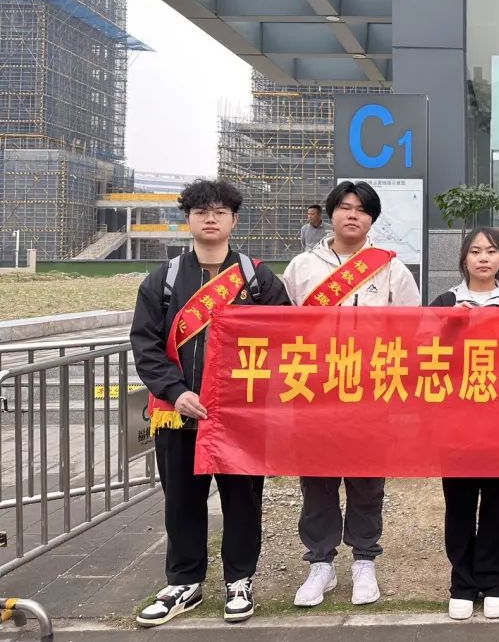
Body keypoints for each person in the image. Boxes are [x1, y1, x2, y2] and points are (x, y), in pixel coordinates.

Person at [130, 179, 290, 627]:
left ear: (234, 220)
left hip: (240, 418)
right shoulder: (163, 280)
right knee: (182, 501)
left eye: (220, 211)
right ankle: (184, 582)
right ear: (188, 219)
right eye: (201, 211)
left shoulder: (257, 278)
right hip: (178, 414)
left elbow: (286, 336)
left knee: (243, 501)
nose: (211, 219)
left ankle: (240, 579)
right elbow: (145, 344)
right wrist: (176, 391)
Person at [283, 180, 421, 608]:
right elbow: (280, 328)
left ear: (372, 219)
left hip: (371, 392)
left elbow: (412, 331)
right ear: (331, 213)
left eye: (362, 209)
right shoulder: (302, 267)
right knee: (317, 479)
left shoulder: (392, 270)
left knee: (366, 479)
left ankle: (364, 560)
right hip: (314, 391)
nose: (352, 215)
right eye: (345, 207)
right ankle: (320, 563)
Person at [430, 228, 499, 621]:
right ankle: (462, 583)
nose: (483, 258)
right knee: (459, 504)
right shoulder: (445, 302)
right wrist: (451, 326)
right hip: (456, 423)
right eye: (475, 251)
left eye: (490, 251)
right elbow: (425, 357)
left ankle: (495, 580)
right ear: (464, 259)